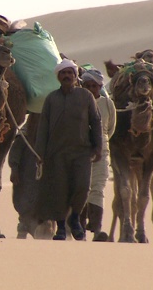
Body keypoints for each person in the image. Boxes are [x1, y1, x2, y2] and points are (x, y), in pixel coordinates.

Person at [34, 58, 103, 241]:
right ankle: (61, 228)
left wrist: (98, 147)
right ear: (58, 76)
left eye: (69, 73)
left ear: (75, 76)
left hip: (82, 152)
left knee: (82, 188)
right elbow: (43, 128)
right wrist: (39, 153)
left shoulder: (85, 96)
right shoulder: (51, 99)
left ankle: (74, 218)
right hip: (56, 154)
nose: (66, 76)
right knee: (59, 191)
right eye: (63, 73)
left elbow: (96, 121)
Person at [80, 69, 116, 242]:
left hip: (102, 153)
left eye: (95, 86)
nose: (91, 88)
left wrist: (100, 145)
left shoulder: (108, 104)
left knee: (98, 189)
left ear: (100, 87)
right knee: (81, 189)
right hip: (80, 152)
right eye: (88, 85)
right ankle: (78, 229)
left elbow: (110, 129)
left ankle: (96, 230)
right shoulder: (77, 102)